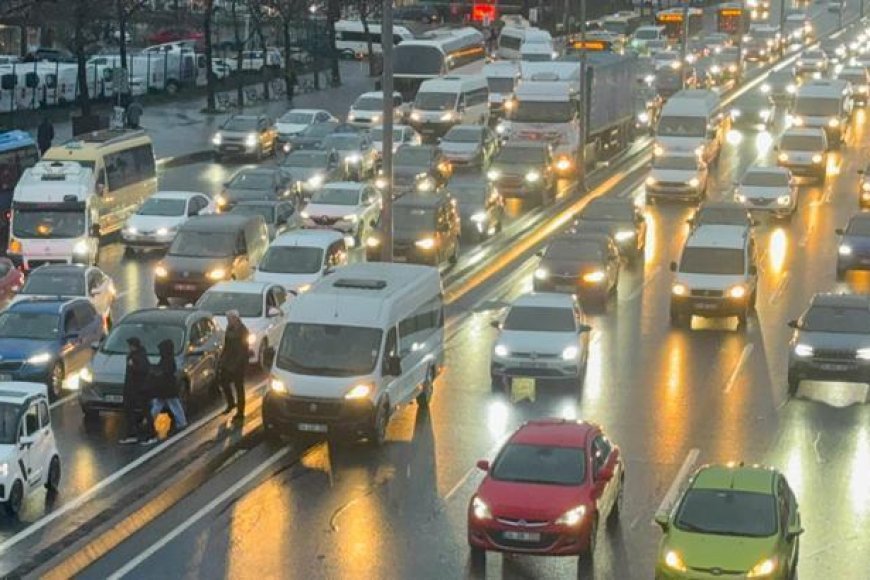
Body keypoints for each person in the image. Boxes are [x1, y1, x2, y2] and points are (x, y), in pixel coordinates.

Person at [120, 337, 156, 445]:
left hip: (141, 389)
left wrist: (133, 366)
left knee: (145, 411)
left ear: (133, 346)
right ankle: (132, 434)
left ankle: (151, 434)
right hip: (132, 389)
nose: (129, 348)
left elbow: (143, 370)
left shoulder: (140, 356)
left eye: (130, 346)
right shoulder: (133, 356)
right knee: (129, 411)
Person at [150, 339, 188, 435]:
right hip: (167, 388)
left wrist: (155, 371)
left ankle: (150, 421)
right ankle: (181, 422)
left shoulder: (167, 360)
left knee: (164, 404)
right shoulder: (169, 359)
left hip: (165, 387)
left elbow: (164, 371)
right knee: (169, 404)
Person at [220, 310, 249, 424]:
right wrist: (222, 359)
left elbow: (243, 351)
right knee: (224, 382)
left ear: (236, 319)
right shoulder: (229, 328)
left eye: (230, 319)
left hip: (239, 364)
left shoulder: (243, 331)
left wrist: (236, 365)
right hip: (229, 361)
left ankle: (240, 412)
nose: (228, 321)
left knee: (239, 388)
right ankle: (231, 403)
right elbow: (226, 346)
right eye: (227, 319)